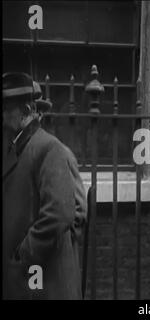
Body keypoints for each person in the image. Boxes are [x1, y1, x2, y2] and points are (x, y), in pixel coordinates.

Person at [3, 72, 87, 299]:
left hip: (43, 278)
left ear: (27, 112)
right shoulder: (16, 148)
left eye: (6, 109)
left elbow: (60, 213)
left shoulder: (50, 148)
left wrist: (22, 256)